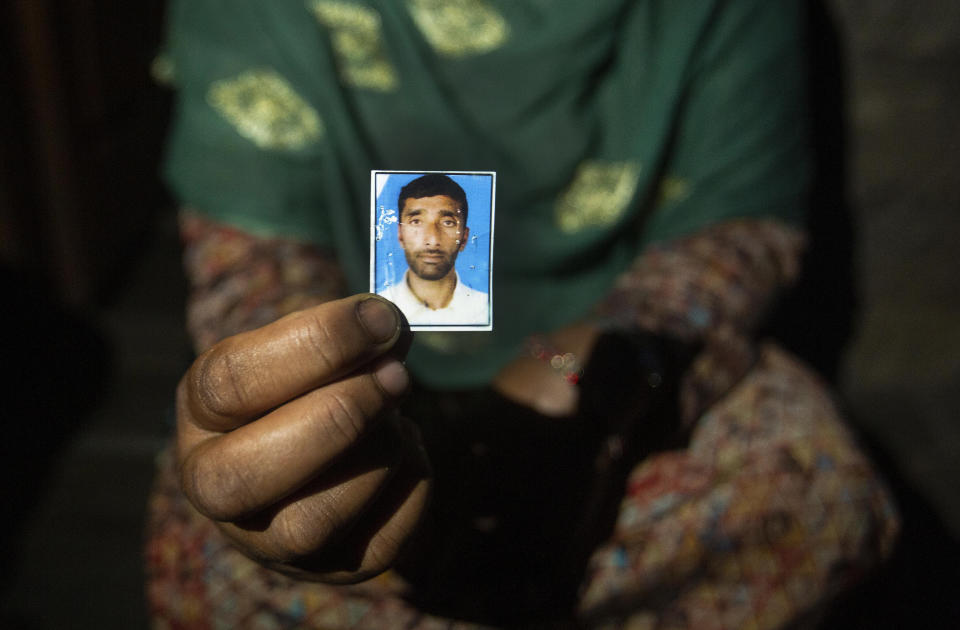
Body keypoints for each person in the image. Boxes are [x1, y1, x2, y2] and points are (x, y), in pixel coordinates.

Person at [147, 1, 899, 628]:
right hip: (379, 390)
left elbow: (732, 233)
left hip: (574, 360)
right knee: (228, 530)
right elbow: (255, 263)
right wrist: (299, 397)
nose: (432, 239)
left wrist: (571, 369)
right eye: (417, 224)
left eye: (449, 226)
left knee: (807, 492)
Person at [377, 174, 490, 327]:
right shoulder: (379, 310)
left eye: (448, 223)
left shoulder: (485, 310)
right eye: (416, 222)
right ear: (400, 235)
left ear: (464, 238)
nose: (432, 240)